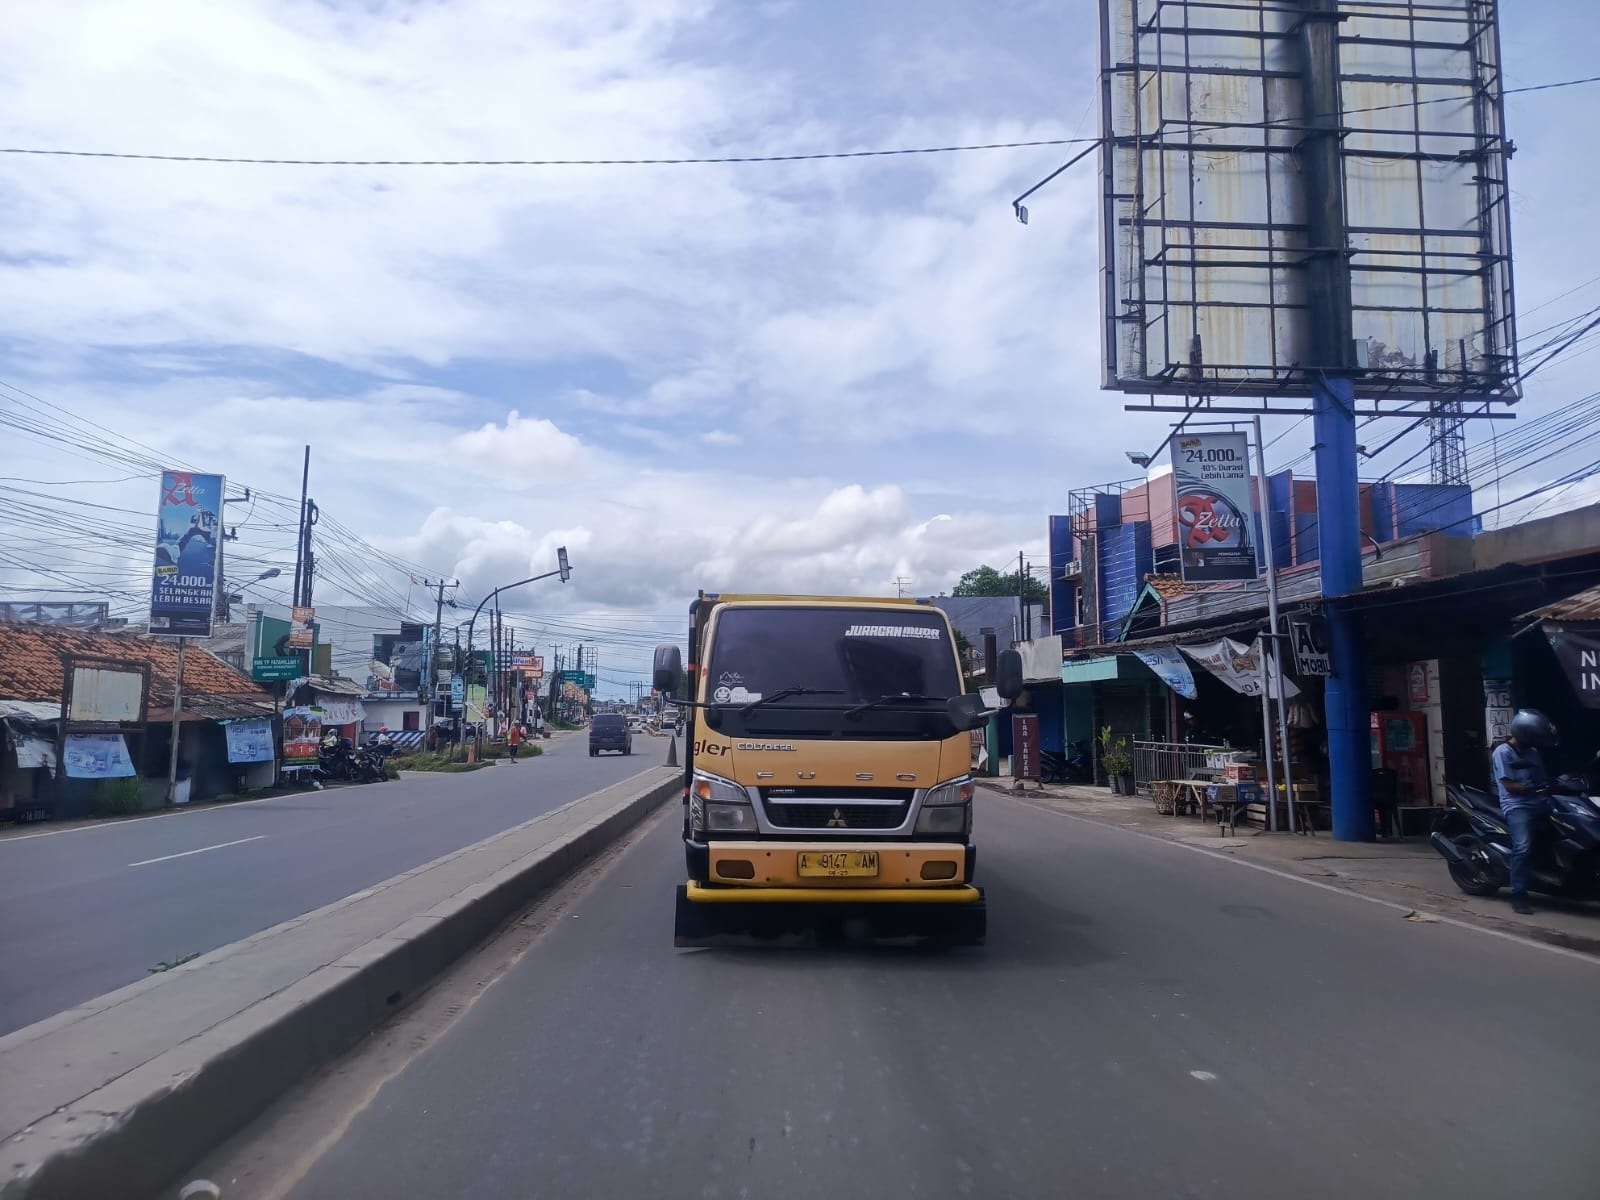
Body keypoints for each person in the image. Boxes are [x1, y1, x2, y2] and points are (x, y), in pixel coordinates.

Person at [1492, 708, 1556, 915]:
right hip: (1517, 805)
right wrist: (1533, 788)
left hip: (1540, 802)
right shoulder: (1503, 753)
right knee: (1522, 847)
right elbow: (1509, 786)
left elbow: (1543, 779)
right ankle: (1518, 894)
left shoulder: (1533, 753)